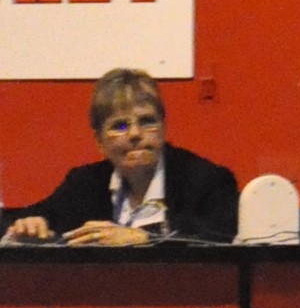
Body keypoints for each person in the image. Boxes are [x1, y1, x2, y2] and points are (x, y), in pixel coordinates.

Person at [2, 70, 238, 246]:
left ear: (164, 128)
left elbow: (221, 232)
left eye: (148, 122)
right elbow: (30, 217)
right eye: (120, 126)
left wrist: (145, 237)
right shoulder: (84, 184)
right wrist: (28, 224)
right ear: (99, 141)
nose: (135, 134)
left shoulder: (206, 180)